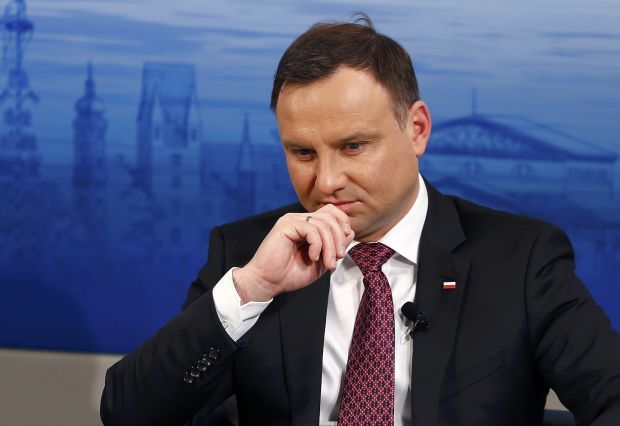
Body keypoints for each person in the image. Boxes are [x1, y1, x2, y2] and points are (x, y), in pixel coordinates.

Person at [100, 16, 620, 426]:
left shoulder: (520, 260)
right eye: (302, 153)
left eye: (353, 146)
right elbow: (128, 414)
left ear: (416, 129)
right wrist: (251, 290)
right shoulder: (247, 255)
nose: (326, 181)